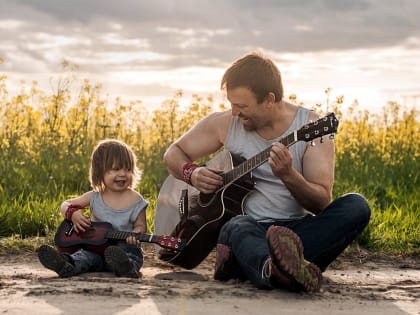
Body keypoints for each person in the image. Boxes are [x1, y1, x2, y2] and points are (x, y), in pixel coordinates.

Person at [163, 52, 371, 292]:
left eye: (241, 106)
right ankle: (280, 269)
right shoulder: (225, 124)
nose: (234, 112)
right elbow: (173, 153)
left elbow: (321, 203)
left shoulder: (311, 127)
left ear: (269, 99)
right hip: (248, 227)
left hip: (295, 234)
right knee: (237, 227)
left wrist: (289, 175)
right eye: (231, 104)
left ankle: (272, 267)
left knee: (357, 206)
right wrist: (192, 173)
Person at [38, 139, 148, 279]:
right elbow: (65, 205)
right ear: (100, 171)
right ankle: (65, 263)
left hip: (124, 248)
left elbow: (141, 226)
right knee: (84, 257)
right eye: (115, 169)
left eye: (128, 169)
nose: (122, 174)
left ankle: (125, 268)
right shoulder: (94, 197)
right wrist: (73, 214)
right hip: (95, 248)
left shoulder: (136, 200)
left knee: (128, 256)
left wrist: (136, 234)